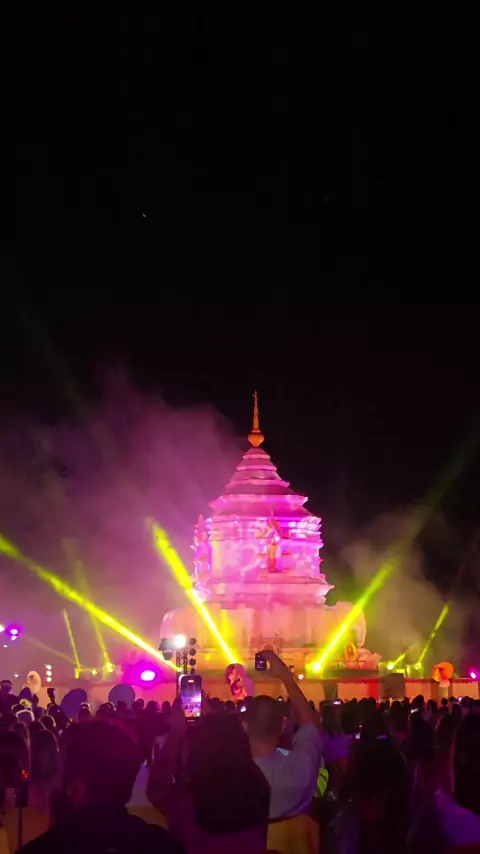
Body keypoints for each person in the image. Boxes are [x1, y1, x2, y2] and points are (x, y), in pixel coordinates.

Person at [18, 719, 184, 854]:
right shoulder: (163, 846)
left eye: (59, 771)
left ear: (76, 787)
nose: (54, 782)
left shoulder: (42, 850)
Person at [148, 697, 270, 854]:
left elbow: (156, 789)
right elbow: (239, 753)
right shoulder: (258, 786)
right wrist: (217, 724)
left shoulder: (189, 799)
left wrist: (175, 733)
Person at [244, 649, 322, 820]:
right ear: (282, 726)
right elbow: (311, 724)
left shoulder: (229, 778)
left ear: (244, 726)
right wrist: (286, 676)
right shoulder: (299, 768)